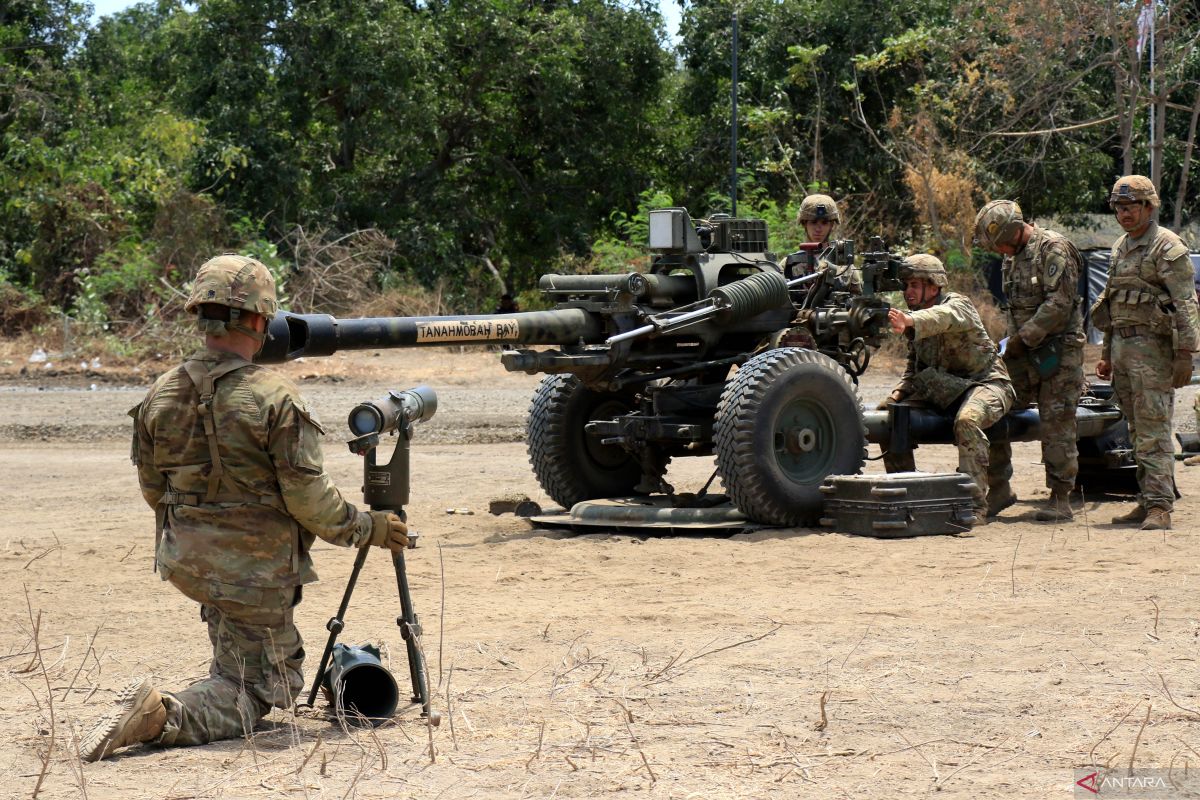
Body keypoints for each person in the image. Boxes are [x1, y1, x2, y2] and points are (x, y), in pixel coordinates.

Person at [81, 254, 411, 761]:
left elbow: (153, 488)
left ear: (203, 316)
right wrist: (368, 527)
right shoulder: (274, 396)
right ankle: (163, 715)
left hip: (190, 561)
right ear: (260, 320)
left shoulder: (160, 393)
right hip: (253, 572)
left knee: (237, 655)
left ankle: (196, 690)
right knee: (262, 689)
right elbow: (310, 500)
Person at [1093, 175, 1200, 530]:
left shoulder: (1167, 247)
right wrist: (1106, 354)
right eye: (1119, 208)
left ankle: (1160, 507)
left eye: (1130, 207)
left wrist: (1186, 354)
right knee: (1136, 431)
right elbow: (1111, 306)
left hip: (1154, 355)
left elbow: (1186, 304)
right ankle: (1146, 499)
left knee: (1154, 429)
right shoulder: (1121, 247)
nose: (1124, 213)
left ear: (1149, 207)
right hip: (1123, 350)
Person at [880, 255, 1016, 525]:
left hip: (987, 384)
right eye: (906, 285)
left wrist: (909, 321)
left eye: (915, 285)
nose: (908, 292)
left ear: (934, 286)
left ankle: (973, 505)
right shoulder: (915, 321)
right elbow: (914, 368)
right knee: (888, 419)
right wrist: (895, 397)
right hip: (945, 390)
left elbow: (942, 317)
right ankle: (909, 497)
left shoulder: (957, 305)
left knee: (968, 420)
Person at [973, 200, 1086, 522]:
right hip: (1021, 351)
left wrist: (1023, 338)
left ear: (1014, 231)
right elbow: (1014, 309)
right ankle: (999, 488)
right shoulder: (1012, 258)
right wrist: (1008, 344)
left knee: (1057, 421)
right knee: (995, 408)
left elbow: (1059, 304)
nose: (1001, 252)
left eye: (1002, 244)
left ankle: (1060, 496)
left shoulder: (1054, 249)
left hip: (1058, 352)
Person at [795, 193, 861, 294]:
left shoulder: (844, 266)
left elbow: (859, 302)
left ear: (831, 225)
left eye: (824, 223)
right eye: (813, 222)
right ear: (804, 224)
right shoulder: (790, 264)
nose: (818, 229)